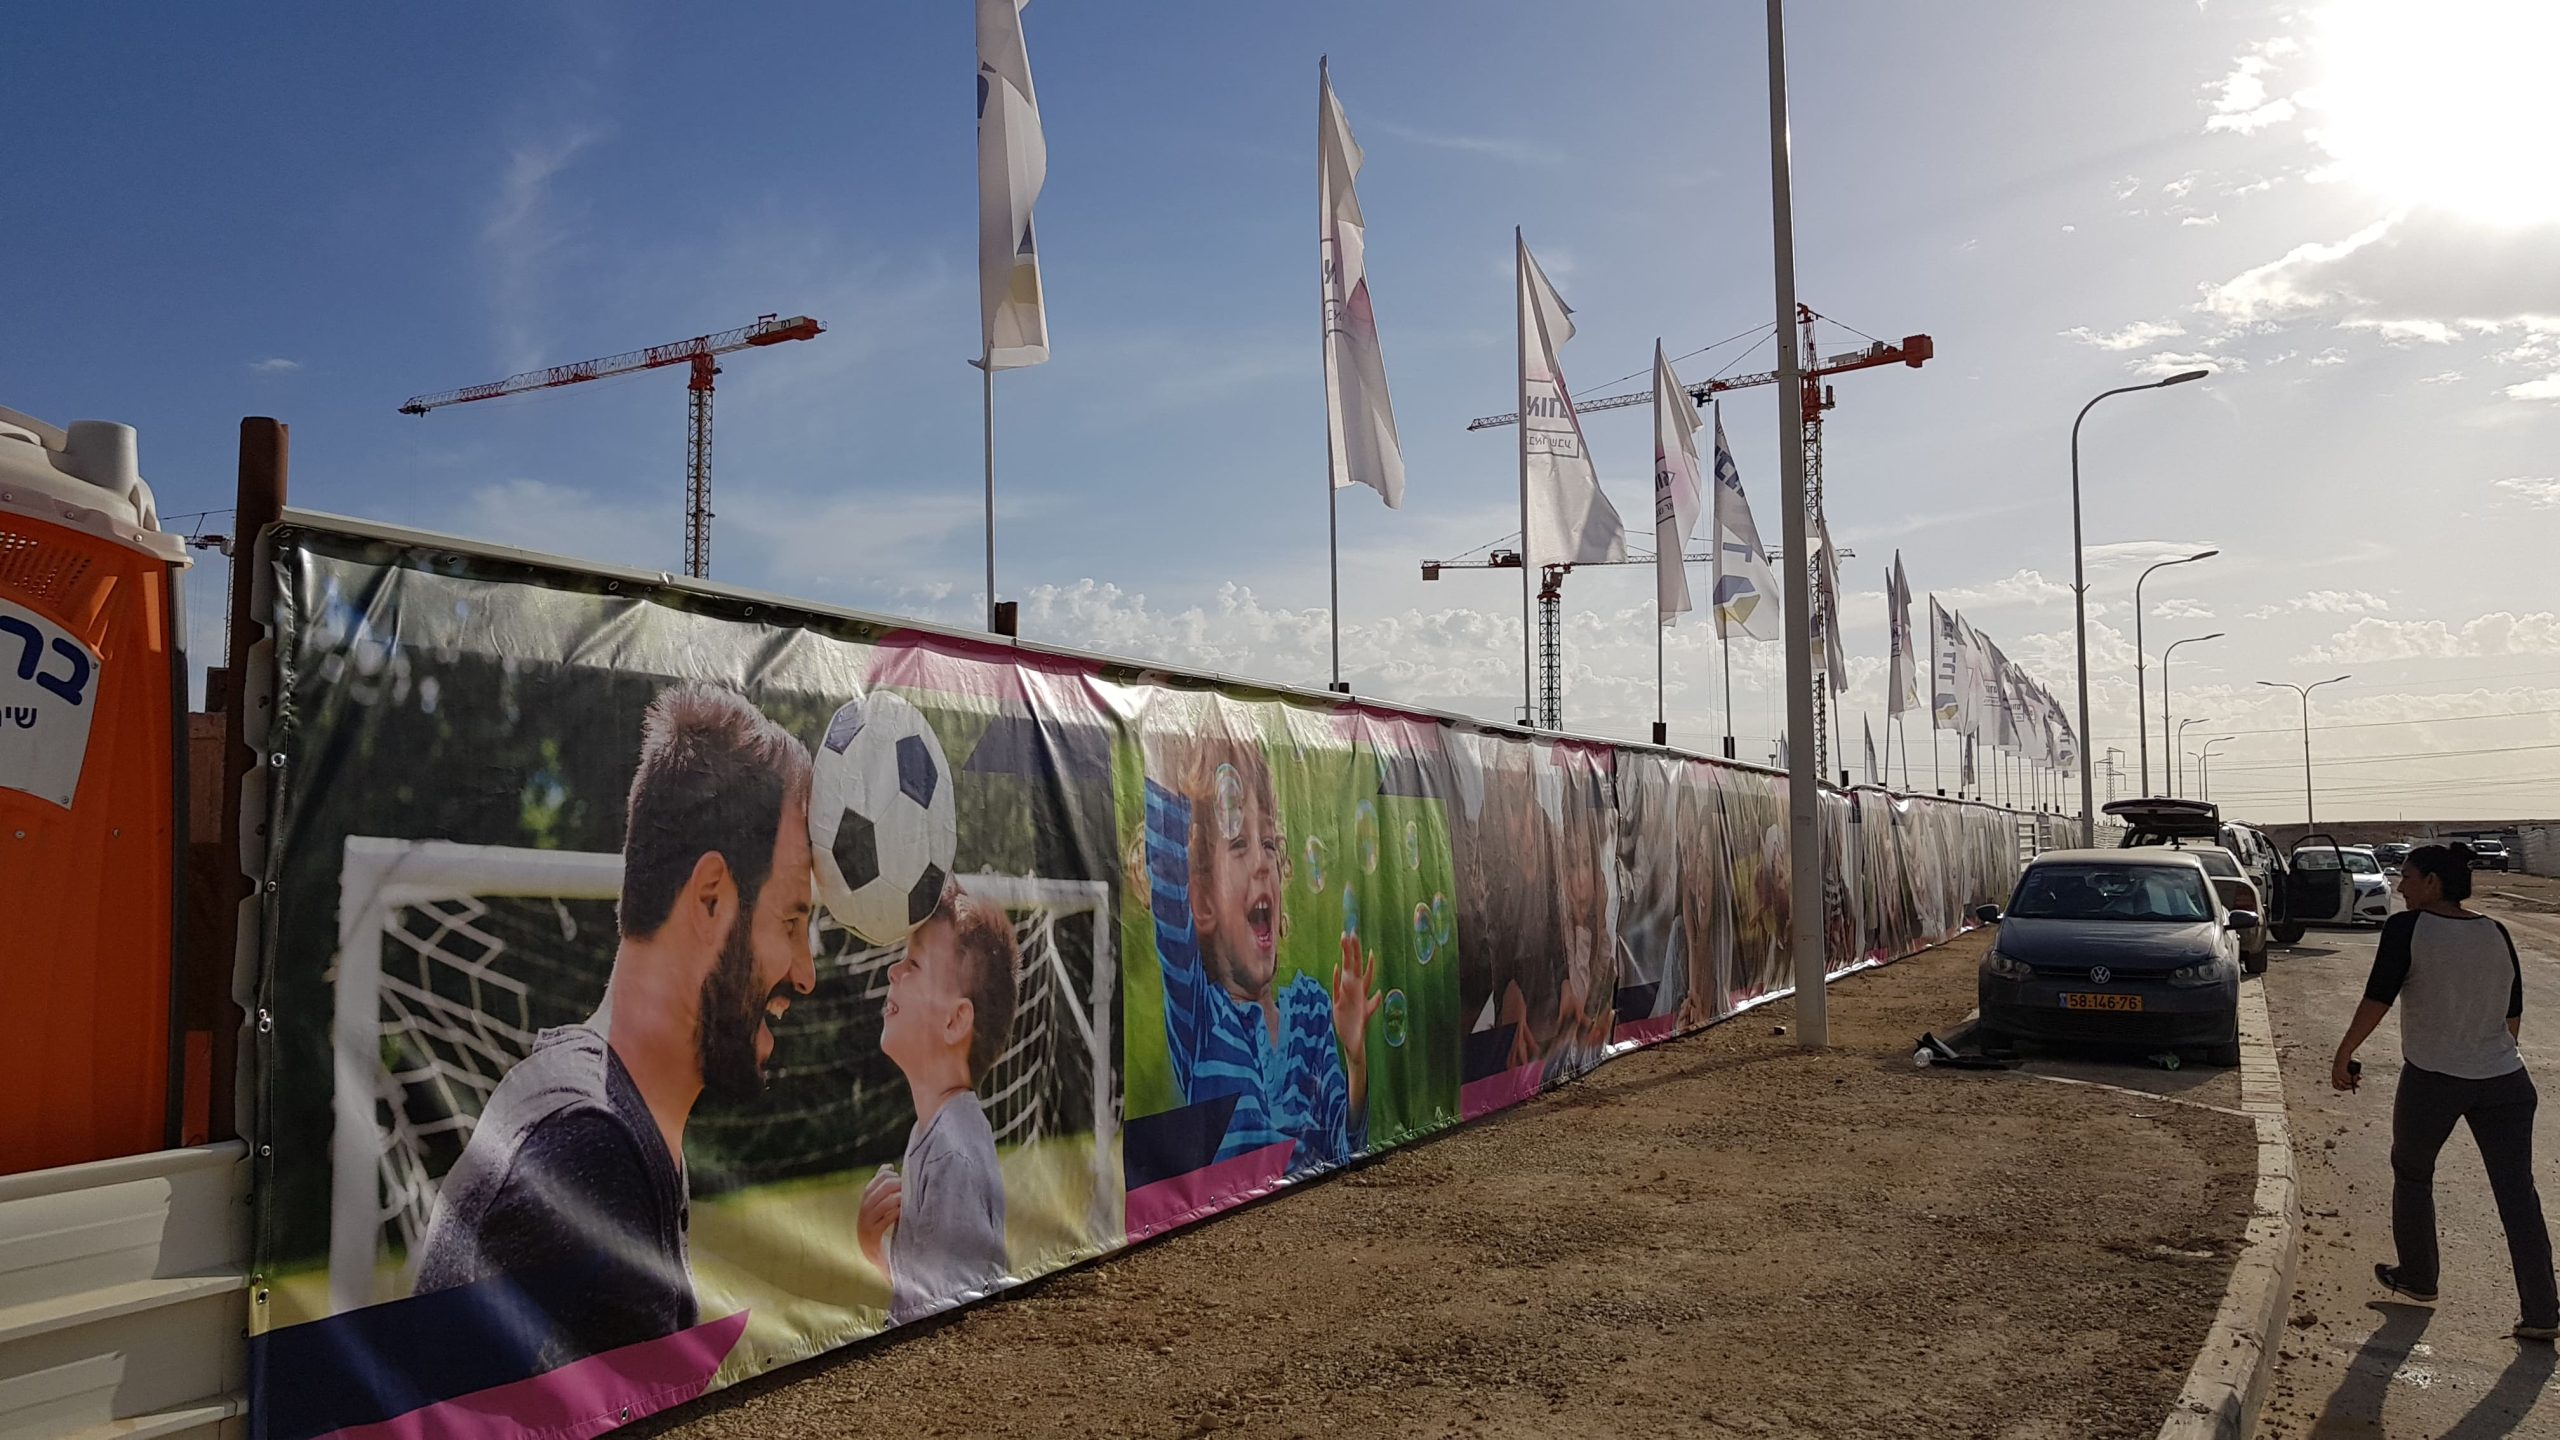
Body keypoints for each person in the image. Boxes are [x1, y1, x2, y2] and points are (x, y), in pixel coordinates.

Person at [413, 685, 817, 1364]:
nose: (806, 974)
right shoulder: (590, 1144)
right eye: (791, 922)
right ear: (711, 899)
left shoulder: (605, 1109)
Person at [2331, 843, 2557, 1343]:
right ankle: (2543, 1312)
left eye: (2408, 877)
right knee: (2517, 1193)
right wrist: (2485, 1055)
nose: (2399, 887)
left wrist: (2345, 1052)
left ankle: (2419, 1277)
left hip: (2434, 1078)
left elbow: (2378, 997)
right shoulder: (2495, 931)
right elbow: (2512, 1014)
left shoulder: (2407, 928)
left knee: (2412, 1172)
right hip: (2506, 1080)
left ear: (2432, 882)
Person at [1144, 730, 1378, 1171]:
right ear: (1204, 902)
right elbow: (1167, 882)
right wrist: (1166, 735)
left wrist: (1355, 1058)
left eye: (1269, 843)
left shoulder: (1311, 1012)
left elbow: (1346, 1149)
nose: (1262, 863)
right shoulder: (1201, 1019)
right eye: (1238, 845)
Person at [858, 879, 1020, 1325]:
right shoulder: (934, 1130)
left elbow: (954, 1325)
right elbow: (925, 1293)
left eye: (913, 963)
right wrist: (874, 1249)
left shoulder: (952, 1156)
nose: (893, 972)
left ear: (955, 1021)